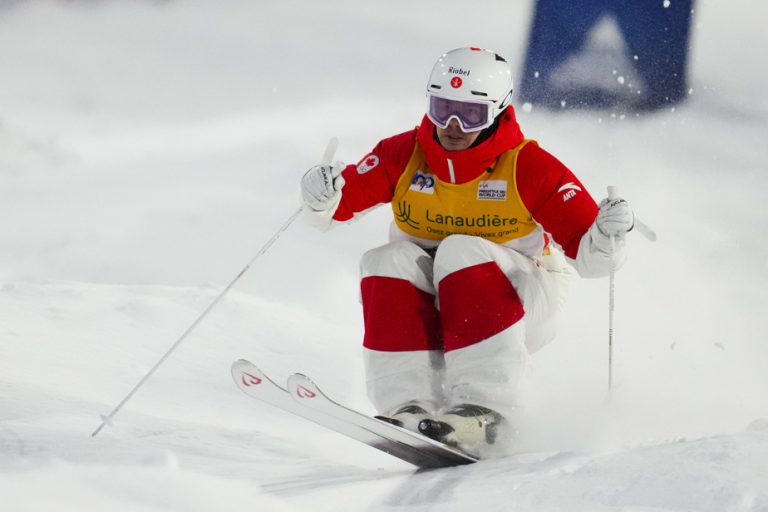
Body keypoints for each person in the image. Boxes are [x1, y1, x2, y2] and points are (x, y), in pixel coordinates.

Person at [299, 47, 633, 457]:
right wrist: (320, 197)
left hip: (526, 300)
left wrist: (609, 233)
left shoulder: (529, 166)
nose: (453, 126)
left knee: (460, 251)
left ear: (497, 112)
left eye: (471, 114)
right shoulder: (405, 154)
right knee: (384, 261)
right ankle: (410, 407)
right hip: (441, 305)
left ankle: (488, 412)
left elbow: (595, 261)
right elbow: (334, 208)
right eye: (443, 109)